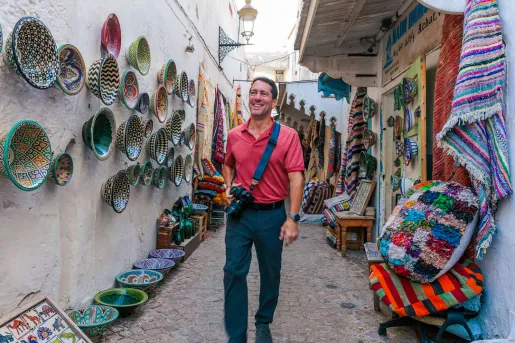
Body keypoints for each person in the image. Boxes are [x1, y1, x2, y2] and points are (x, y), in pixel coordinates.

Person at [222, 77, 305, 343]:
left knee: (271, 272)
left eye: (264, 94)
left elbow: (296, 178)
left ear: (274, 101)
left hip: (272, 216)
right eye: (253, 92)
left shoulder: (288, 136)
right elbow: (228, 164)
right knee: (233, 271)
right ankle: (237, 336)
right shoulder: (235, 135)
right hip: (241, 215)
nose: (257, 97)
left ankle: (263, 322)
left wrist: (292, 217)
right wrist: (228, 186)